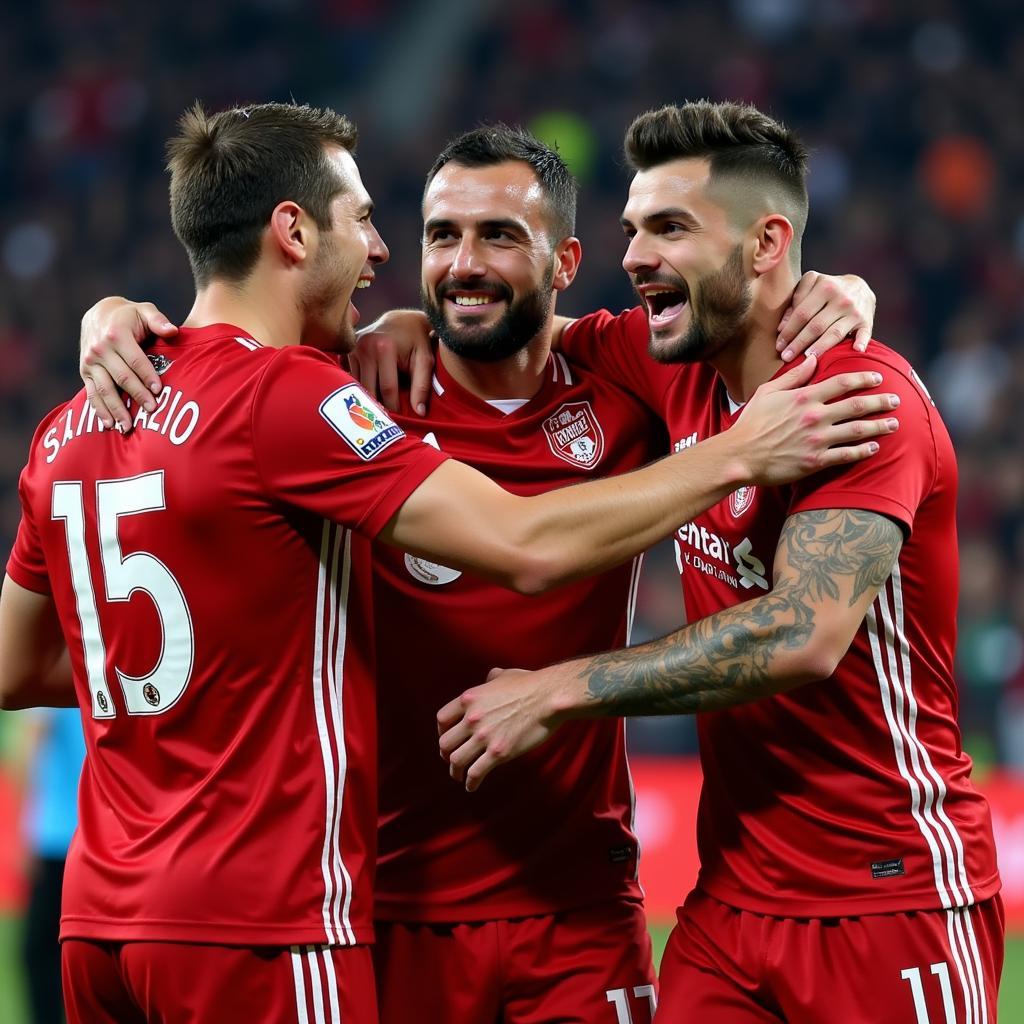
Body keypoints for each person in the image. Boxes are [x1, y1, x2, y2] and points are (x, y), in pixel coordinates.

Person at [74, 119, 891, 1023]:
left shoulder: (625, 373)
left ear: (567, 260)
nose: (464, 263)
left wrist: (841, 290)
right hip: (388, 904)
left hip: (579, 907)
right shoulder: (343, 390)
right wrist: (111, 315)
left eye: (500, 237)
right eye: (441, 236)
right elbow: (219, 339)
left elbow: (733, 322)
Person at [433, 101, 1004, 1023]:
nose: (634, 257)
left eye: (671, 228)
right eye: (631, 230)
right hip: (730, 901)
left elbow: (801, 632)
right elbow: (519, 335)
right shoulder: (673, 361)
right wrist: (407, 333)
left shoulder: (855, 400)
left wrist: (559, 688)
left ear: (767, 243)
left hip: (890, 891)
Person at [10, 706, 85, 1024]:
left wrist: (25, 826)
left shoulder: (47, 673)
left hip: (55, 835)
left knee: (38, 953)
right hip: (91, 834)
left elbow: (31, 745)